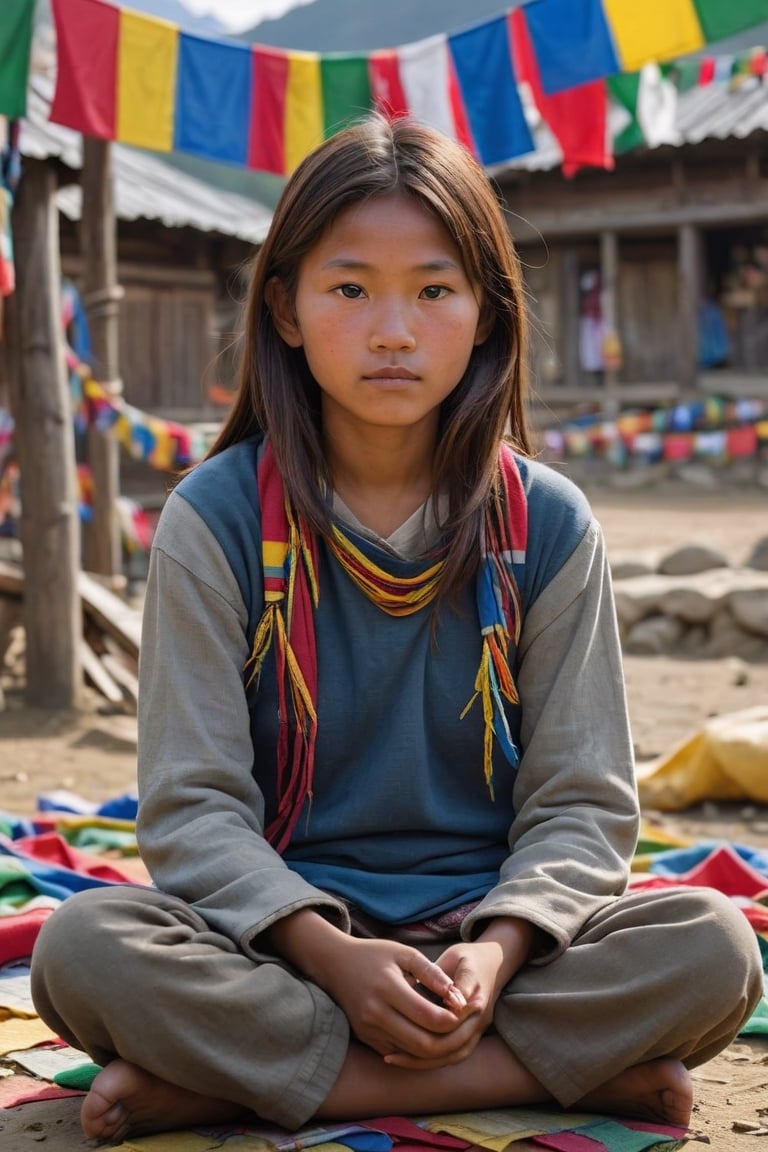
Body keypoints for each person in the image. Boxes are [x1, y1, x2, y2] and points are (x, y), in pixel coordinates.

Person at [31, 115, 762, 1144]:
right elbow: (193, 809)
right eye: (349, 288)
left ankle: (255, 1082)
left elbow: (583, 803)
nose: (392, 331)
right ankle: (540, 1072)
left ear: (484, 313)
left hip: (495, 941)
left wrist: (496, 951)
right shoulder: (217, 519)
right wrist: (330, 954)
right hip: (280, 945)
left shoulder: (546, 524)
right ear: (284, 308)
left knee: (711, 943)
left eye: (432, 290)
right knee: (87, 946)